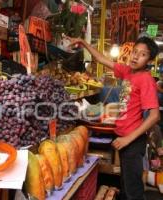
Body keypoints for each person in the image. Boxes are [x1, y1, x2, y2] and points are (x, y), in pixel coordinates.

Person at [65, 35, 160, 200]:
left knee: (133, 191)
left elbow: (154, 116)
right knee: (125, 186)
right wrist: (84, 42)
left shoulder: (146, 80)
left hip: (132, 141)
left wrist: (127, 139)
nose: (136, 56)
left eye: (143, 54)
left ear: (149, 60)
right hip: (124, 138)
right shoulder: (127, 72)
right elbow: (101, 59)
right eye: (135, 51)